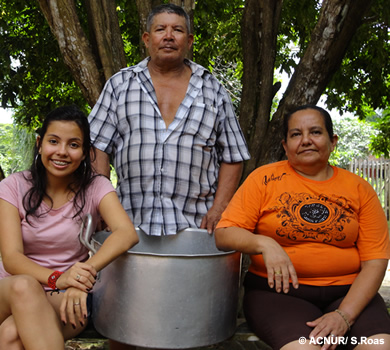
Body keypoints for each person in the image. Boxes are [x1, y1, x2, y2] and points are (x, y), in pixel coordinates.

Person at [215, 105, 390, 350]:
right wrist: (265, 243)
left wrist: (344, 315)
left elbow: (376, 260)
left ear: (332, 141)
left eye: (316, 132)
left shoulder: (360, 189)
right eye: (296, 134)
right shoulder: (263, 179)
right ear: (285, 146)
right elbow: (224, 233)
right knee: (304, 348)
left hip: (350, 295)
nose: (306, 140)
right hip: (278, 295)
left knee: (378, 345)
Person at [88, 3, 250, 238]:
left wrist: (220, 207)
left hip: (197, 227)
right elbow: (97, 147)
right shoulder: (120, 85)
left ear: (190, 40)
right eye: (160, 29)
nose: (168, 37)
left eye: (177, 30)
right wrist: (103, 205)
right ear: (146, 38)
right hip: (128, 225)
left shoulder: (212, 88)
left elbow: (233, 155)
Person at [0, 105, 139, 350]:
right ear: (40, 143)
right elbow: (11, 259)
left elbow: (126, 233)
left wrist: (82, 275)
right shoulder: (14, 186)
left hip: (65, 296)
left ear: (85, 153)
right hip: (11, 289)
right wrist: (59, 278)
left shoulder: (96, 187)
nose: (62, 152)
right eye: (54, 141)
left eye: (73, 145)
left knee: (11, 335)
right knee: (25, 285)